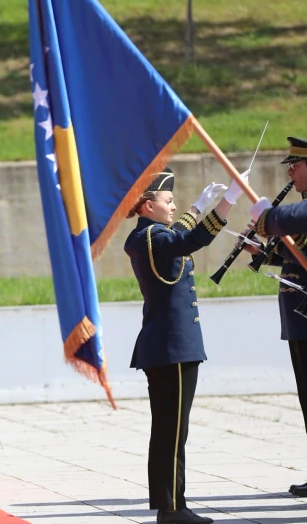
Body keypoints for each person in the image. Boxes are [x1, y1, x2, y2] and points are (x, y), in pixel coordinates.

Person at [125, 166, 246, 524]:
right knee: (172, 431)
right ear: (148, 205)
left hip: (170, 347)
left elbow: (177, 233)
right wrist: (226, 203)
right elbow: (186, 241)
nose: (173, 205)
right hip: (171, 348)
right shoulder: (150, 238)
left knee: (169, 430)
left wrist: (197, 206)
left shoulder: (151, 235)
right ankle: (172, 509)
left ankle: (171, 506)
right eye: (168, 200)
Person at [246, 136, 307, 497]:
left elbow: (290, 219)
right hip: (298, 316)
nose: (290, 170)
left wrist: (268, 217)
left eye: (296, 164)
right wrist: (263, 253)